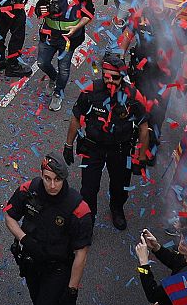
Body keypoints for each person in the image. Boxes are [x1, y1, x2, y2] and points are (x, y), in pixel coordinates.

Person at [3, 154, 91, 305]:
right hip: (32, 263)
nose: (52, 185)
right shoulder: (28, 190)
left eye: (57, 180)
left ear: (64, 179)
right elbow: (9, 216)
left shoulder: (77, 207)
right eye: (47, 178)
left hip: (58, 269)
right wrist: (24, 239)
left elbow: (81, 252)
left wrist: (72, 290)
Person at [65, 49, 151, 229]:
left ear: (122, 77)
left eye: (115, 78)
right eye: (106, 76)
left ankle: (117, 209)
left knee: (120, 186)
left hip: (120, 149)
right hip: (93, 147)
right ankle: (88, 218)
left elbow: (143, 128)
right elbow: (76, 116)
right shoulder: (91, 91)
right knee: (88, 188)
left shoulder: (134, 97)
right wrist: (68, 145)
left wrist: (141, 157)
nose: (110, 81)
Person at [35, 0, 95, 112]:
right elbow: (38, 7)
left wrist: (76, 28)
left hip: (69, 38)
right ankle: (53, 78)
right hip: (49, 35)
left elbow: (89, 13)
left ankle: (58, 93)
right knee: (42, 62)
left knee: (64, 68)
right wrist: (40, 10)